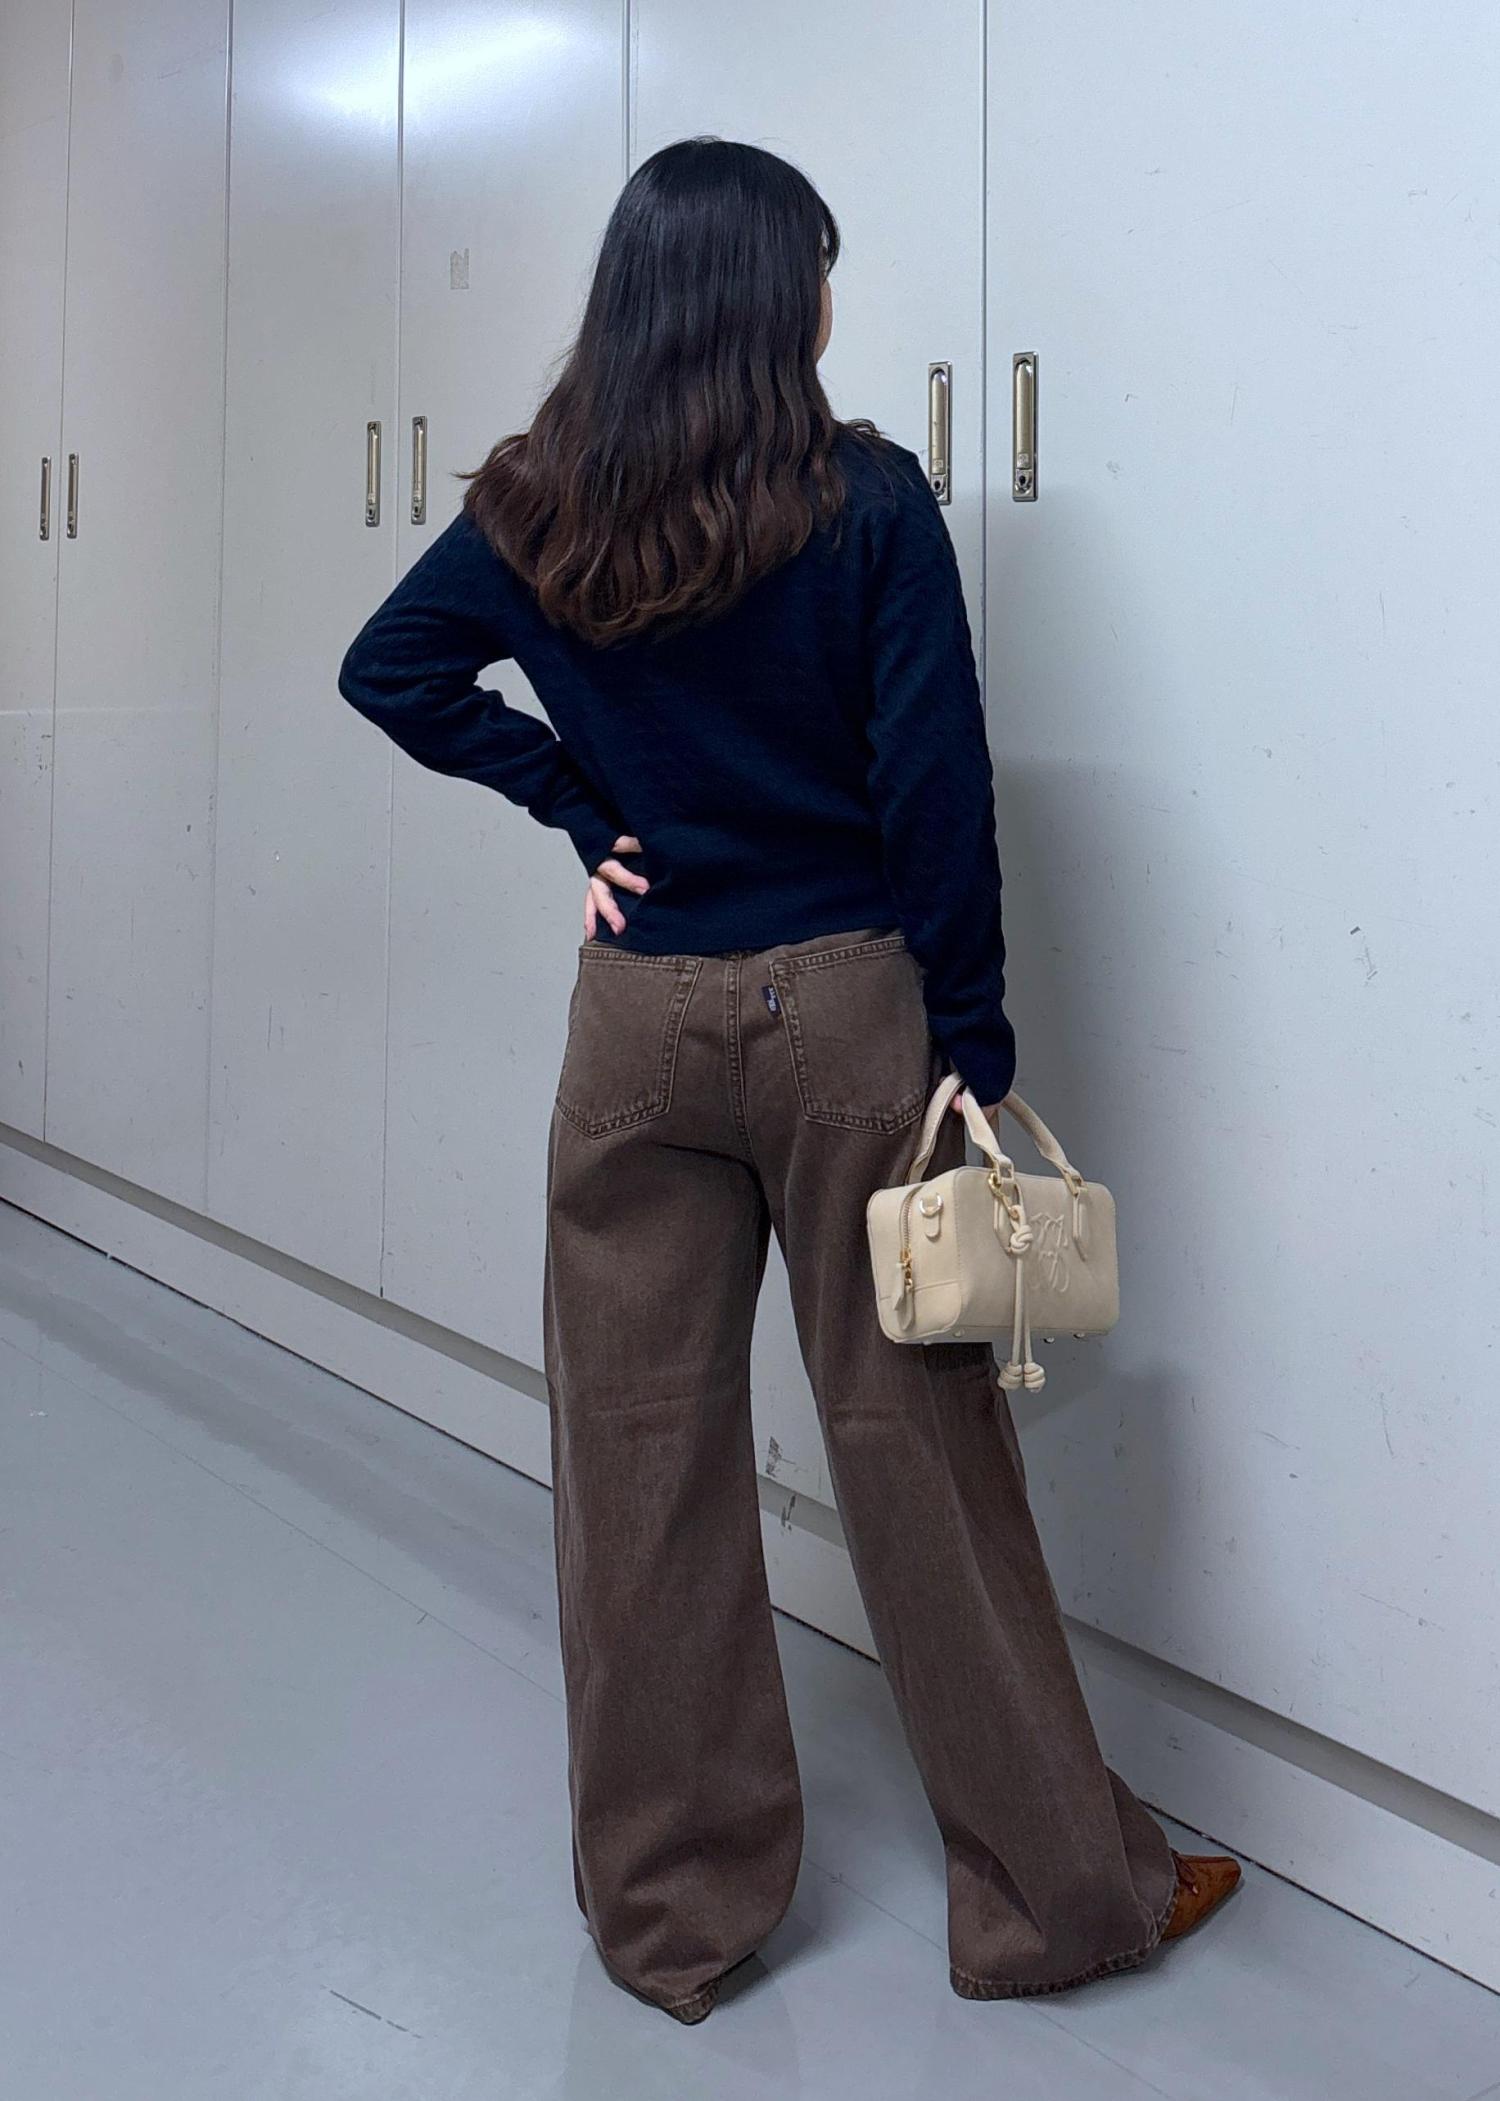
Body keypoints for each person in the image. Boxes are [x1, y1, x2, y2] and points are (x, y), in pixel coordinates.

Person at [338, 134, 1239, 2024]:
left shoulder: (534, 507)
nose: (833, 294)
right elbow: (935, 792)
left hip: (635, 1021)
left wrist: (575, 804)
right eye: (821, 263)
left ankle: (672, 1920)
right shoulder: (866, 503)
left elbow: (389, 667)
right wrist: (971, 1041)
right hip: (844, 1019)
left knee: (636, 1457)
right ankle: (1057, 1899)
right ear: (776, 297)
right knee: (924, 1453)